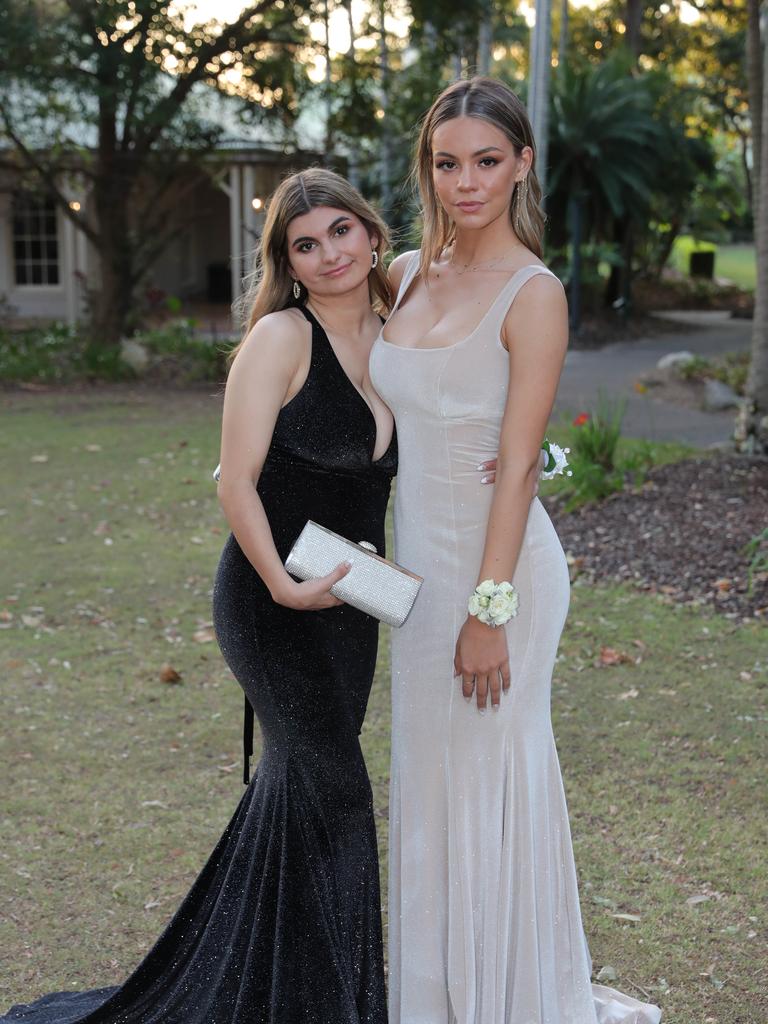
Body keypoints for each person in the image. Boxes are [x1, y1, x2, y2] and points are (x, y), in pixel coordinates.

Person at [2, 168, 397, 1024]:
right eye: (305, 244)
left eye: (340, 231)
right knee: (340, 793)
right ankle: (341, 1007)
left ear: (370, 234)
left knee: (295, 792)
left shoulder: (401, 332)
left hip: (353, 609)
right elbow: (236, 483)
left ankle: (260, 991)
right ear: (287, 264)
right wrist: (283, 588)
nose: (329, 253)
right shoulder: (282, 340)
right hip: (270, 604)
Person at [369, 77, 662, 1024]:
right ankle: (440, 996)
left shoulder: (535, 293)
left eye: (486, 162)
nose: (466, 182)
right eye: (447, 163)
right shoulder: (403, 274)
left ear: (522, 164)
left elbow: (526, 456)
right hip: (414, 579)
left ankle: (512, 998)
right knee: (427, 785)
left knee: (495, 777)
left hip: (501, 579)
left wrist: (488, 612)